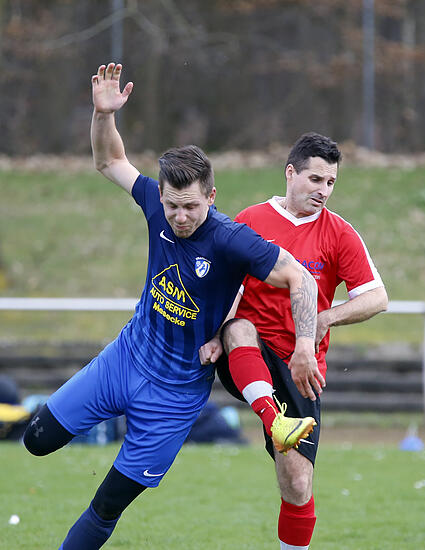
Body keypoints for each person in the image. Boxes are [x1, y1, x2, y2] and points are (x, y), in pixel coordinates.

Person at [21, 62, 320, 550]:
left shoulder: (230, 239)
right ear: (160, 195)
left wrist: (304, 344)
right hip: (124, 360)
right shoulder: (154, 204)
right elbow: (108, 161)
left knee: (107, 504)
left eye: (192, 207)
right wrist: (103, 116)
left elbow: (300, 278)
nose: (180, 217)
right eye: (172, 205)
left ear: (212, 197)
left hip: (174, 398)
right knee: (36, 440)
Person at [208, 132, 389, 549]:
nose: (323, 190)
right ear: (290, 173)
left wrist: (327, 317)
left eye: (330, 183)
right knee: (240, 329)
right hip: (248, 352)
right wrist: (216, 332)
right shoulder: (251, 220)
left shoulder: (340, 233)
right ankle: (273, 419)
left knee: (297, 482)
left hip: (302, 365)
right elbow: (226, 285)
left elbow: (377, 298)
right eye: (314, 179)